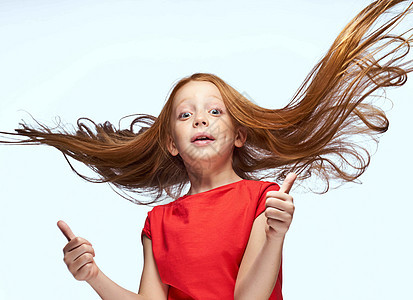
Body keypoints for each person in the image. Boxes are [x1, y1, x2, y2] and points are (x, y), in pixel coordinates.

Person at [1, 0, 412, 299]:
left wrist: (274, 236)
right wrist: (92, 276)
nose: (200, 119)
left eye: (215, 111)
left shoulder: (263, 200)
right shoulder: (157, 223)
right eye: (185, 115)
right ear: (171, 143)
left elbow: (248, 298)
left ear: (239, 135)